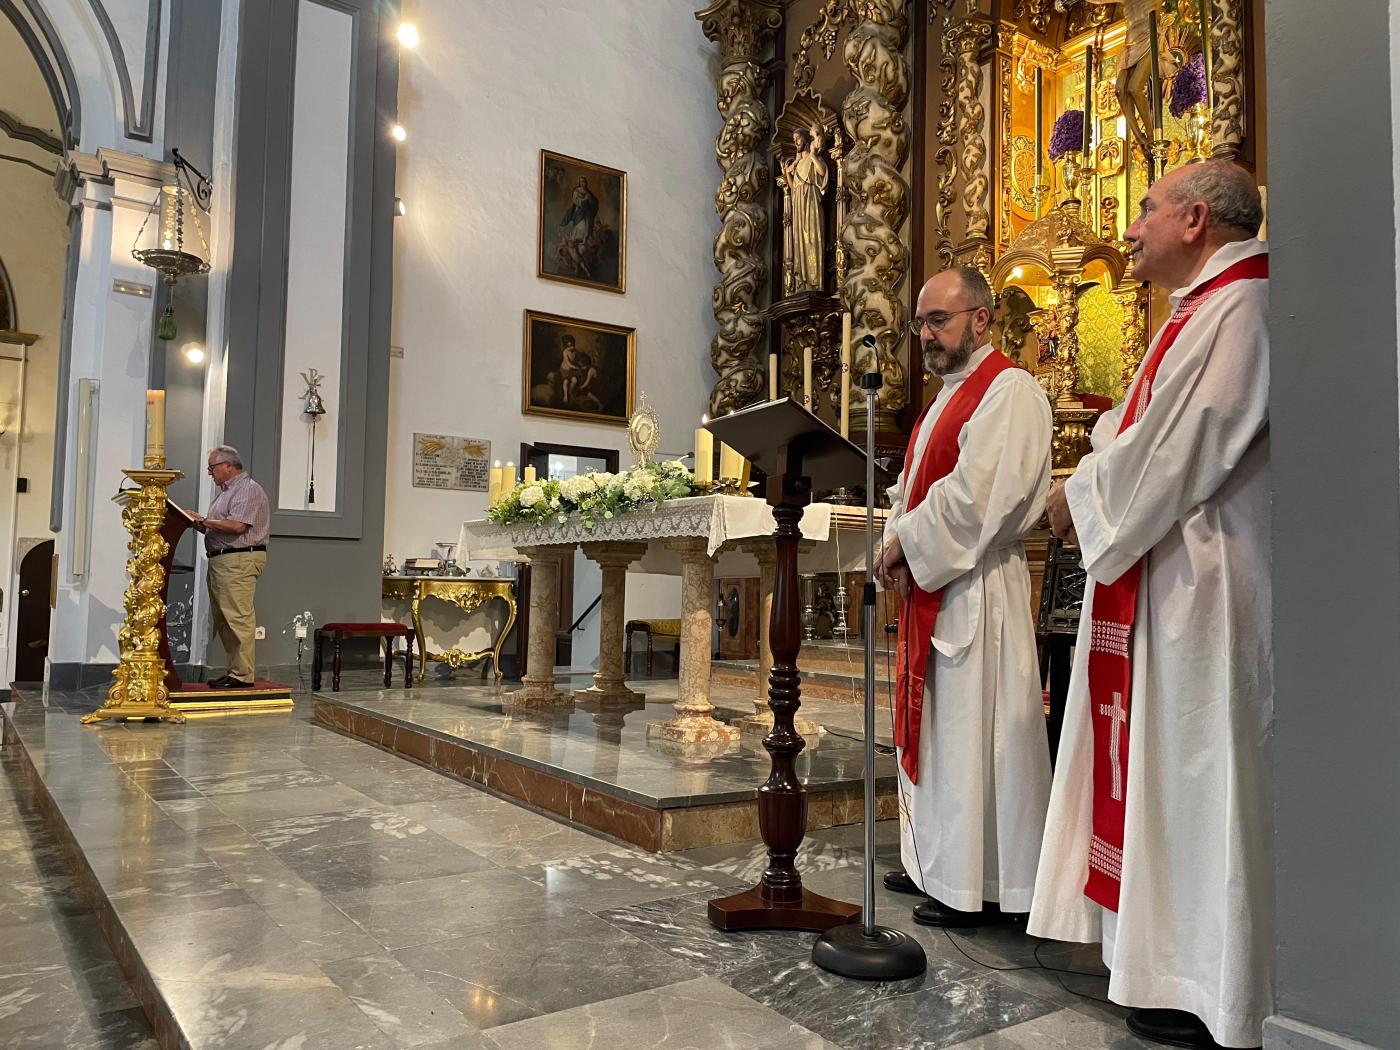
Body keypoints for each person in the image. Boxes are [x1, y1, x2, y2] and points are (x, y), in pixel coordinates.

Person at [1029, 161, 1270, 1049]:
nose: (1127, 227)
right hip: (1162, 573)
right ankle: (1164, 964)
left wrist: (1078, 496)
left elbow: (1179, 447)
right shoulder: (1201, 311)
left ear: (1196, 218)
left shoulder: (1245, 307)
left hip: (1206, 584)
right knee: (1166, 771)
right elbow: (1134, 431)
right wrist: (1100, 470)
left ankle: (1214, 982)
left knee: (1204, 773)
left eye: (1143, 208)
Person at [873, 266, 1053, 928]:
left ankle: (980, 882)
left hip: (979, 587)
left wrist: (904, 545)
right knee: (943, 736)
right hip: (938, 583)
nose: (925, 335)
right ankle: (935, 863)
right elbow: (910, 492)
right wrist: (895, 539)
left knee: (975, 736)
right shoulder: (943, 401)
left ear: (981, 318)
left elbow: (980, 500)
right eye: (920, 322)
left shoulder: (1011, 393)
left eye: (937, 320)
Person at [192, 445, 270, 689]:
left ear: (228, 465)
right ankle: (235, 671)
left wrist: (204, 521)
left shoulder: (247, 489)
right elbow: (219, 525)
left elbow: (237, 526)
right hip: (223, 559)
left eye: (212, 467)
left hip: (238, 559)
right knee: (225, 619)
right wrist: (198, 523)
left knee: (237, 617)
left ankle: (243, 676)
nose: (209, 473)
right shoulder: (226, 493)